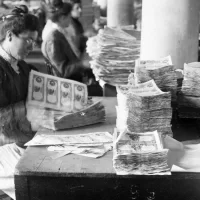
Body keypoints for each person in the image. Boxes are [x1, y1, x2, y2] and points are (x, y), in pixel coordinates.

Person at [0, 6, 39, 199]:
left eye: (35, 41)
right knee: (38, 182)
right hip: (3, 145)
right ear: (9, 36)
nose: (32, 47)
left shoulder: (22, 67)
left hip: (20, 139)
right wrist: (31, 108)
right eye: (28, 40)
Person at [41, 2, 90, 83]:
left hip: (74, 77)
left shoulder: (61, 31)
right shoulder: (53, 39)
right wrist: (82, 64)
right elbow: (62, 71)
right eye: (69, 17)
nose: (70, 20)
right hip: (66, 85)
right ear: (62, 18)